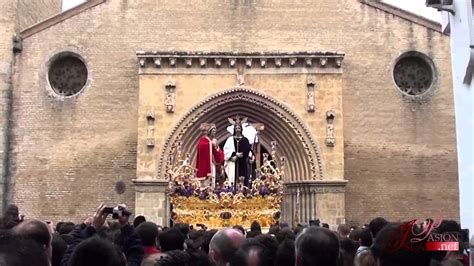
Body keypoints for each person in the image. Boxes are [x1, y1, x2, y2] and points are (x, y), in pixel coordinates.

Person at [224, 117, 252, 188]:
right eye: (236, 128)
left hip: (242, 162)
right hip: (233, 162)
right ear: (234, 129)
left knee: (243, 178)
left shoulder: (245, 140)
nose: (237, 129)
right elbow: (226, 150)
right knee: (232, 179)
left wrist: (242, 155)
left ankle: (243, 191)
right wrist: (235, 154)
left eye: (239, 128)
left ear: (241, 129)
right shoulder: (230, 139)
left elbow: (247, 149)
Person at [196, 123, 224, 188]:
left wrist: (216, 146)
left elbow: (219, 155)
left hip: (212, 164)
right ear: (209, 132)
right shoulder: (203, 140)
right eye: (213, 131)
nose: (215, 133)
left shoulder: (214, 141)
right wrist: (211, 144)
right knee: (206, 184)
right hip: (205, 165)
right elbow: (201, 147)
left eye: (215, 131)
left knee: (212, 182)